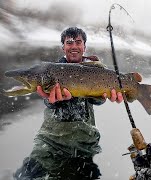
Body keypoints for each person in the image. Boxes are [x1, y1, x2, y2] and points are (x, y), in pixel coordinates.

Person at [14, 27, 123, 179]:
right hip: (50, 141)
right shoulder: (50, 71)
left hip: (85, 143)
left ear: (84, 47)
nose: (74, 46)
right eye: (69, 42)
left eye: (78, 42)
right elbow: (49, 103)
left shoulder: (97, 69)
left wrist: (104, 96)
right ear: (63, 47)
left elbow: (97, 100)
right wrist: (52, 101)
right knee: (25, 176)